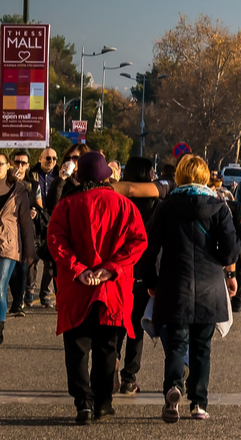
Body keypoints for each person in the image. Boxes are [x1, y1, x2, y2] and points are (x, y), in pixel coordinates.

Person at [46, 151, 147, 424]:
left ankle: (84, 404)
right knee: (107, 347)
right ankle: (103, 402)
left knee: (77, 348)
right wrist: (111, 268)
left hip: (77, 287)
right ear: (106, 175)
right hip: (112, 288)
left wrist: (78, 270)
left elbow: (55, 240)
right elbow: (138, 241)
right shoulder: (124, 205)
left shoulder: (67, 205)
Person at [145, 154, 238, 422]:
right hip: (209, 285)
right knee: (201, 347)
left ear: (180, 176)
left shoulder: (166, 207)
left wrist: (151, 281)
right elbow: (231, 250)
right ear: (206, 177)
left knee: (176, 344)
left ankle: (173, 387)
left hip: (175, 283)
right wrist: (224, 269)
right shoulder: (220, 207)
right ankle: (199, 403)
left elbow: (151, 248)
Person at [112, 157, 166, 393]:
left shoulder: (116, 200)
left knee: (116, 324)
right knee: (136, 325)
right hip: (145, 268)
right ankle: (129, 377)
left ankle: (110, 367)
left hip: (119, 268)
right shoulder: (157, 202)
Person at [0, 151, 39, 344]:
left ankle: (0, 324)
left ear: (7, 166)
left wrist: (29, 252)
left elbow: (25, 223)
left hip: (9, 244)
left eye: (1, 164)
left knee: (0, 285)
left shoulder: (19, 190)